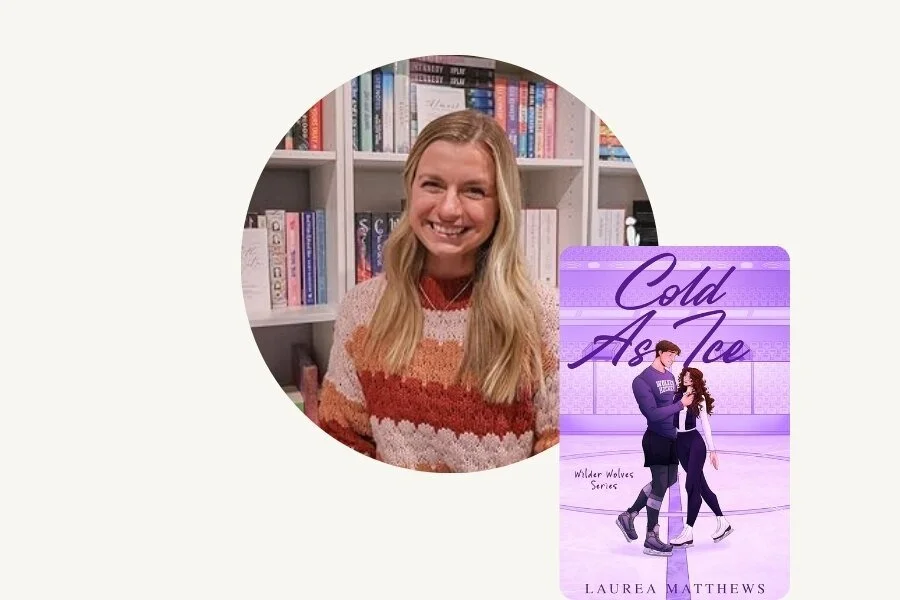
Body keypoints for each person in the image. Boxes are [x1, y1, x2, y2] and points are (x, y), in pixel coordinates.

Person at [316, 109, 559, 473]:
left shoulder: (546, 314)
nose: (448, 209)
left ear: (501, 204)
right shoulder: (362, 308)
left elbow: (564, 461)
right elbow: (343, 441)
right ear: (410, 187)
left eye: (474, 190)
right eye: (432, 184)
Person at [616, 340, 691, 556]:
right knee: (659, 485)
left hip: (673, 437)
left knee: (670, 480)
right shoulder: (641, 381)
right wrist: (680, 405)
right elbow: (651, 414)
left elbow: (674, 408)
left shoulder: (669, 377)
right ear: (659, 353)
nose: (673, 359)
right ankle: (651, 537)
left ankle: (629, 514)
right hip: (656, 438)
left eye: (675, 356)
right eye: (670, 355)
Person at [668, 367, 733, 547]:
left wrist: (712, 450)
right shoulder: (677, 395)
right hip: (680, 443)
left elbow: (705, 424)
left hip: (695, 443)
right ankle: (723, 522)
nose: (686, 378)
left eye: (690, 376)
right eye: (685, 376)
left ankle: (688, 532)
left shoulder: (700, 398)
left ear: (695, 379)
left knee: (691, 485)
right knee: (702, 487)